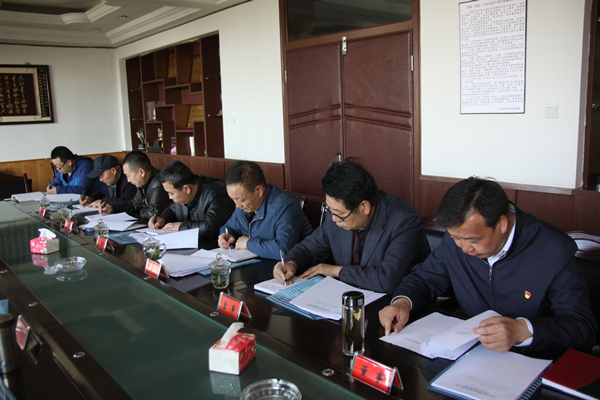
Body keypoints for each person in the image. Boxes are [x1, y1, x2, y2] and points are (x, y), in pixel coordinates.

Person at [379, 177, 597, 353]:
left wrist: (523, 330)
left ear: (501, 224)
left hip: (533, 358)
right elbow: (425, 277)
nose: (464, 248)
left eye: (473, 240)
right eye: (455, 238)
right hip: (473, 351)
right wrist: (403, 302)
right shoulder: (458, 240)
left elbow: (582, 328)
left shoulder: (554, 251)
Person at [273, 159, 431, 294]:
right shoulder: (337, 213)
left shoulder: (404, 221)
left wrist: (335, 270)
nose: (333, 218)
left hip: (394, 306)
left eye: (339, 214)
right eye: (330, 210)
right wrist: (291, 263)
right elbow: (308, 248)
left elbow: (385, 280)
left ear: (364, 207)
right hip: (346, 298)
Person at [217, 160, 313, 260]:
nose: (237, 205)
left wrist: (248, 244)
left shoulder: (285, 205)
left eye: (241, 200)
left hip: (295, 265)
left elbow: (283, 250)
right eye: (233, 199)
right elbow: (230, 226)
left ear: (259, 191)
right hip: (260, 262)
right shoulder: (243, 206)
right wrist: (226, 235)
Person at [149, 160, 235, 239]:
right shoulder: (183, 194)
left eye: (171, 193)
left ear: (187, 189)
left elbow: (209, 227)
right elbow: (172, 209)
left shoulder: (217, 192)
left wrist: (181, 227)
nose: (170, 197)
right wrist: (163, 218)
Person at [100, 151, 171, 220]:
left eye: (129, 176)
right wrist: (113, 208)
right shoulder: (142, 183)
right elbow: (133, 204)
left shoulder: (158, 183)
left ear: (141, 172)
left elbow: (152, 214)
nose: (128, 180)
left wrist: (138, 210)